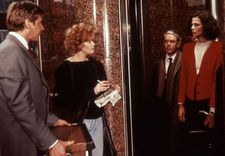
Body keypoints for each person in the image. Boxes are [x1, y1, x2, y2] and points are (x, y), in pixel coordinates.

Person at [0, 1, 74, 156]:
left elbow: (31, 96)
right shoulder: (10, 52)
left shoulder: (18, 49)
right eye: (40, 23)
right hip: (20, 143)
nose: (43, 28)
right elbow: (20, 105)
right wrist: (51, 142)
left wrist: (51, 120)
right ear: (28, 23)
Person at [52, 22, 120, 156]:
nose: (93, 44)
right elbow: (65, 100)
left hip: (98, 119)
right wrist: (93, 91)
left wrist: (112, 92)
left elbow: (101, 97)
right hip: (77, 123)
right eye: (89, 41)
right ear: (78, 43)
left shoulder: (96, 65)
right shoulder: (64, 69)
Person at [177, 11, 223, 156]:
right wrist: (181, 104)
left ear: (206, 26)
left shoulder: (218, 48)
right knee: (190, 143)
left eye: (196, 24)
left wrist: (213, 110)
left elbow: (218, 81)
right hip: (190, 102)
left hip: (209, 102)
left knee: (210, 143)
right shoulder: (187, 48)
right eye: (191, 24)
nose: (192, 27)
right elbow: (183, 77)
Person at [152, 30, 182, 156]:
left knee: (176, 141)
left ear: (178, 44)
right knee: (161, 140)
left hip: (177, 106)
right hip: (161, 106)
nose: (168, 44)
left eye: (172, 41)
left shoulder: (184, 62)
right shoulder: (158, 63)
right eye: (166, 41)